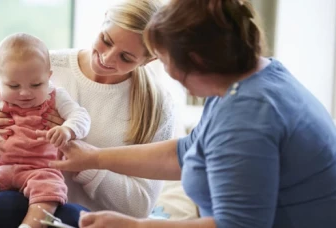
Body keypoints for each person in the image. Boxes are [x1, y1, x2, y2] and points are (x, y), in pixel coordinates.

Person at [49, 0, 336, 227]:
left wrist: (136, 227)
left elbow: (237, 225)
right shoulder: (250, 78)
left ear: (196, 60)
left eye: (163, 59)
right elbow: (189, 151)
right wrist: (94, 158)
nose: (168, 73)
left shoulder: (249, 117)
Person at [0, 0, 175, 227]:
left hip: (85, 219)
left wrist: (88, 163)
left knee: (73, 217)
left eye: (126, 57)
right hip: (17, 201)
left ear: (150, 59)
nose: (106, 58)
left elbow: (139, 206)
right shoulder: (43, 66)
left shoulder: (156, 106)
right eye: (106, 41)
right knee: (4, 205)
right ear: (103, 20)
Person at [0, 33, 91, 228]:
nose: (25, 93)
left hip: (40, 169)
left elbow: (81, 116)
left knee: (50, 190)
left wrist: (68, 129)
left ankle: (30, 224)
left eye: (36, 84)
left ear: (49, 76)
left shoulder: (56, 96)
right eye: (13, 86)